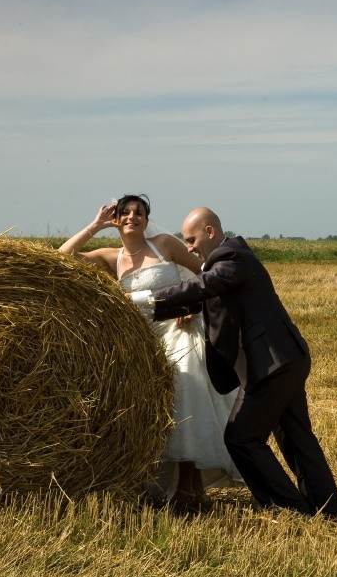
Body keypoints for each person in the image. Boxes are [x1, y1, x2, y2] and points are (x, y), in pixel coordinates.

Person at [130, 206, 337, 523]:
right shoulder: (226, 266)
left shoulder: (232, 257)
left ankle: (288, 510)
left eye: (191, 240)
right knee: (297, 439)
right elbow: (199, 297)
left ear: (209, 232)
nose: (188, 247)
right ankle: (330, 512)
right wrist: (141, 312)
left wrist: (142, 299)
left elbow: (201, 287)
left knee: (240, 437)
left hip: (271, 366)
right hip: (286, 359)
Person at [59, 195, 242, 512]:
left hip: (180, 328)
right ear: (116, 219)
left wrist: (194, 305)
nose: (133, 216)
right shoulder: (109, 256)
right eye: (125, 212)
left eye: (139, 212)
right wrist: (96, 224)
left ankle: (188, 488)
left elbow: (207, 274)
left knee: (186, 391)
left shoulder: (164, 244)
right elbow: (62, 257)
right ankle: (189, 490)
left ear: (147, 219)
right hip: (145, 342)